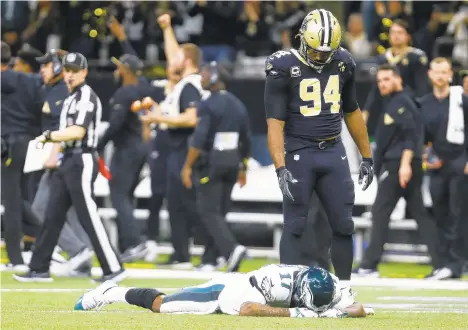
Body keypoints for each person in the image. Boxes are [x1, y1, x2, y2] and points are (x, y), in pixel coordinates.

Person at [264, 9, 374, 280]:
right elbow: (274, 123)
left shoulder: (344, 62)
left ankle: (345, 289)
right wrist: (280, 167)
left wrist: (367, 157)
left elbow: (352, 111)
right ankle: (287, 287)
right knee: (295, 224)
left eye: (327, 51)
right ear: (302, 38)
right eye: (316, 51)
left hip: (333, 150)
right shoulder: (281, 65)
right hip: (300, 151)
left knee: (343, 224)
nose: (322, 57)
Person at [13, 52, 125, 283]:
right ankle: (39, 268)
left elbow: (78, 132)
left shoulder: (85, 97)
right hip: (68, 160)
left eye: (75, 71)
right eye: (68, 71)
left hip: (81, 159)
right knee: (52, 216)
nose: (71, 75)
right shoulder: (71, 98)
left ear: (84, 72)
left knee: (89, 216)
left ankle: (113, 268)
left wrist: (49, 136)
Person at [352, 64, 443, 277]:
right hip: (404, 166)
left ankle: (369, 265)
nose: (382, 84)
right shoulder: (398, 101)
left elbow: (412, 135)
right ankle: (441, 264)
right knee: (420, 214)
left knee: (380, 213)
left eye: (386, 79)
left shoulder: (401, 102)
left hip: (398, 166)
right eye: (380, 81)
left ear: (397, 79)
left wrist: (404, 165)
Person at [74, 264, 374, 318]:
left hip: (245, 289)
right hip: (230, 292)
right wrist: (300, 313)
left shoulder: (328, 283)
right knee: (161, 305)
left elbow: (354, 306)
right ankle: (110, 292)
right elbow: (249, 309)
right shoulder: (278, 283)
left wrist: (336, 312)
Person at [140, 14, 203, 269]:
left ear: (186, 60)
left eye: (177, 57)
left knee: (187, 204)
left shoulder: (190, 85)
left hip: (183, 148)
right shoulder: (182, 84)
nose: (170, 60)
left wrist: (159, 116)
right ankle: (181, 254)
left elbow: (192, 118)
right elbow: (173, 54)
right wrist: (166, 28)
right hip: (174, 148)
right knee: (176, 203)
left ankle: (210, 251)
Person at [180, 62, 250, 272]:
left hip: (211, 164)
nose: (201, 77)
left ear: (215, 78)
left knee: (208, 211)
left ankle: (231, 249)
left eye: (205, 73)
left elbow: (198, 140)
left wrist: (187, 166)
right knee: (219, 211)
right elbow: (246, 140)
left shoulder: (208, 104)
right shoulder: (238, 104)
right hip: (232, 163)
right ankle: (210, 259)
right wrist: (243, 167)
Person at [97, 53, 150, 263]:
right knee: (125, 197)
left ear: (126, 70)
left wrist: (97, 145)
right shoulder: (140, 90)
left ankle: (136, 243)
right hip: (139, 148)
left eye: (119, 67)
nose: (116, 71)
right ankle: (127, 245)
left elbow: (115, 125)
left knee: (119, 196)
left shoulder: (124, 93)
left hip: (127, 150)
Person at [419, 58, 468, 280]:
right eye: (436, 72)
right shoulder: (424, 103)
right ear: (430, 74)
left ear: (450, 75)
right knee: (440, 215)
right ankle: (443, 263)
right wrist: (427, 158)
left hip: (459, 162)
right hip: (437, 166)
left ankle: (456, 264)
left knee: (458, 215)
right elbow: (422, 139)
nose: (440, 76)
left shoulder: (461, 100)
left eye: (444, 72)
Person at [1, 41, 43, 271]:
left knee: (11, 202)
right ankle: (42, 234)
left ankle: (16, 258)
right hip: (30, 143)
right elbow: (40, 107)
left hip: (8, 145)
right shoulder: (30, 80)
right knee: (16, 198)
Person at [362, 19, 430, 133]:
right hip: (386, 109)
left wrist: (420, 110)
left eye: (400, 32)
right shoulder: (382, 59)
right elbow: (375, 88)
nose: (396, 36)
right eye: (393, 32)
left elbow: (422, 87)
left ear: (408, 36)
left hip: (409, 107)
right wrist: (366, 111)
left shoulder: (416, 58)